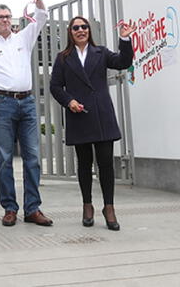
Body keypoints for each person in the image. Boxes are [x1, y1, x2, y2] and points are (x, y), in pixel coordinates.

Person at [50, 16, 135, 230]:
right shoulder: (63, 58)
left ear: (89, 30)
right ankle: (87, 205)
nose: (81, 30)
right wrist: (69, 101)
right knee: (84, 164)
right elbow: (55, 86)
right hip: (79, 114)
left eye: (84, 27)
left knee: (106, 164)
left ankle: (109, 207)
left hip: (101, 114)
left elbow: (123, 62)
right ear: (70, 32)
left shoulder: (102, 52)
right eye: (76, 27)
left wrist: (124, 39)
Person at [0, 0, 52, 227]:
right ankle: (10, 208)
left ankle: (32, 208)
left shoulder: (23, 37)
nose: (5, 20)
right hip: (2, 103)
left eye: (8, 16)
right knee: (4, 158)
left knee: (32, 157)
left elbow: (42, 17)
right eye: (0, 17)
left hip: (27, 103)